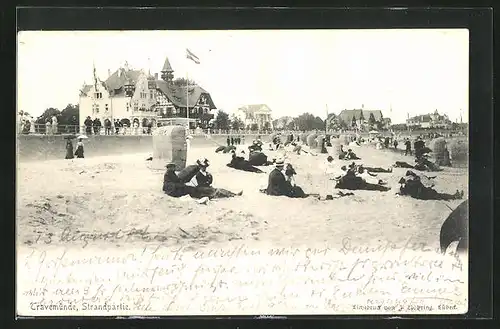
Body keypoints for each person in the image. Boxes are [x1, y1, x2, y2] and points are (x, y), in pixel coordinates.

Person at [163, 163, 242, 199]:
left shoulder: (170, 174)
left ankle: (232, 194)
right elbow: (172, 184)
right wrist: (183, 185)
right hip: (194, 188)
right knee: (210, 191)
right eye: (173, 167)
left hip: (198, 188)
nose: (175, 168)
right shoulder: (169, 174)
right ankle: (231, 195)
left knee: (214, 190)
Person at [397, 175, 463, 201]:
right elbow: (418, 184)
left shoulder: (408, 184)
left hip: (424, 192)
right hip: (424, 195)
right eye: (404, 181)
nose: (406, 181)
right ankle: (455, 196)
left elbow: (418, 183)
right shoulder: (408, 185)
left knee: (439, 194)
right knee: (439, 195)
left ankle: (454, 196)